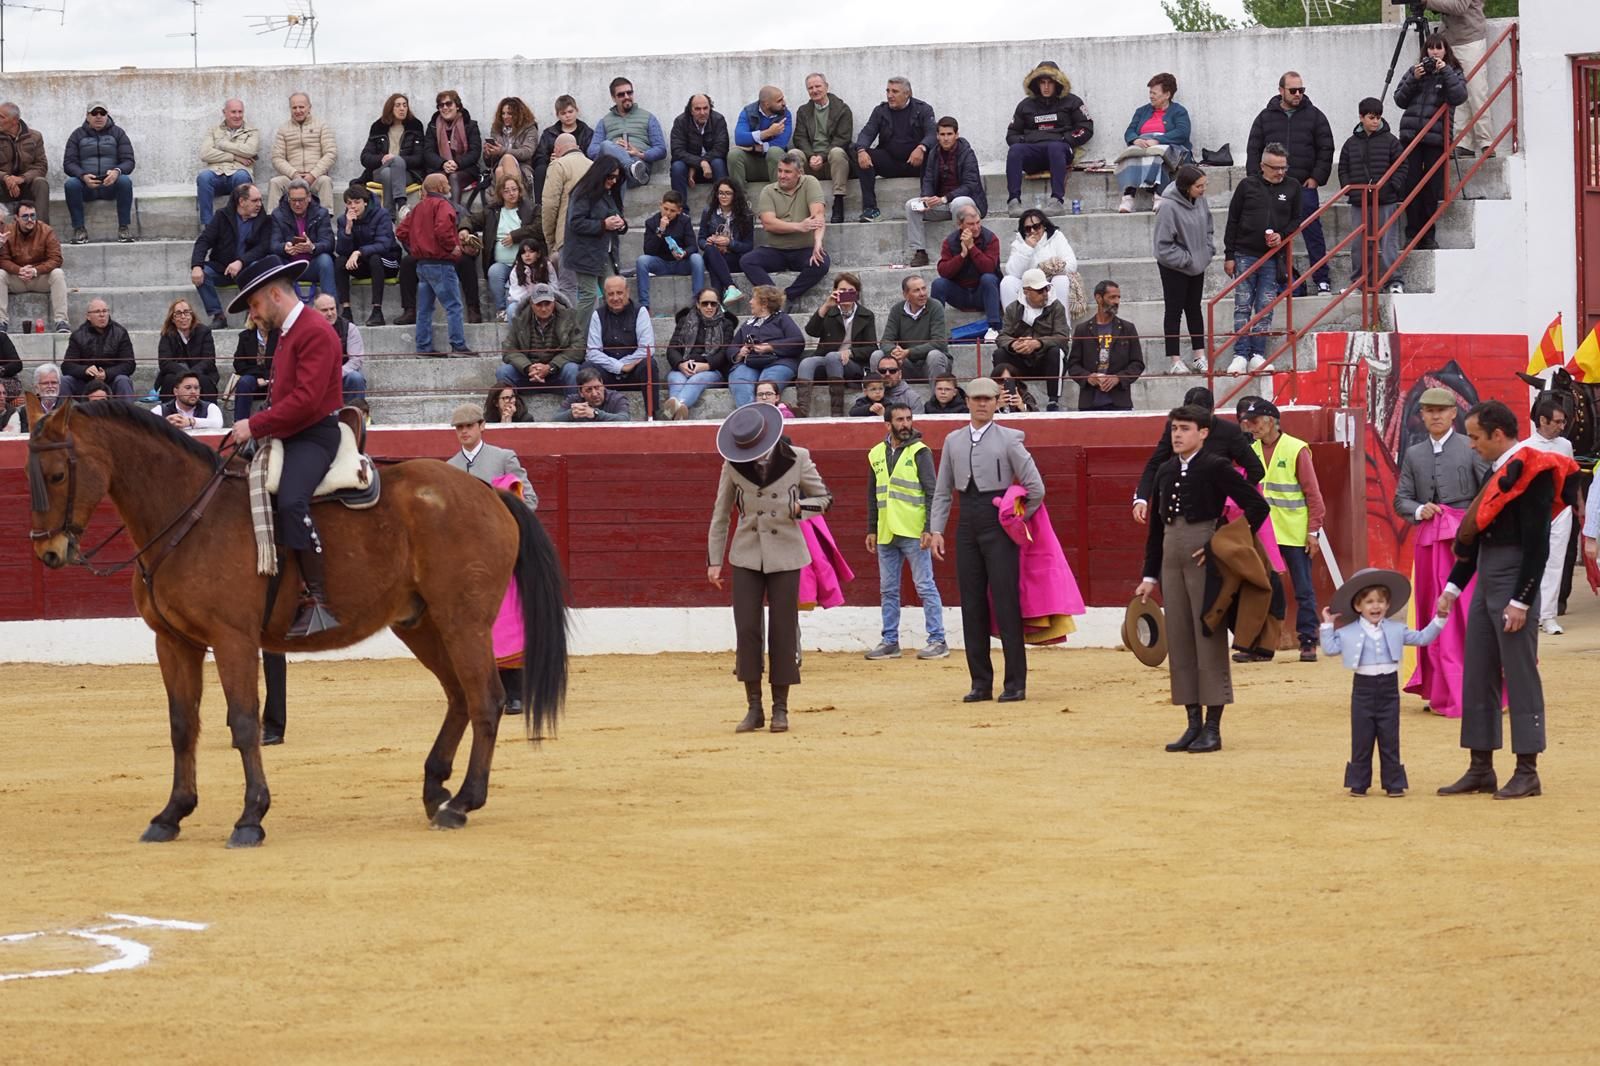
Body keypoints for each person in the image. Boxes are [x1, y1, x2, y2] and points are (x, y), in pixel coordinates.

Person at [1436, 400, 1578, 800]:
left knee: (1520, 672)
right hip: (1487, 577)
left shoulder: (1534, 470)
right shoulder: (1499, 469)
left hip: (1515, 578)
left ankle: (1527, 770)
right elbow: (1478, 536)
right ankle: (1481, 767)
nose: (1472, 445)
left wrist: (1522, 599)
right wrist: (1452, 588)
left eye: (1476, 437)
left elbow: (1538, 544)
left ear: (1498, 435)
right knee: (1477, 670)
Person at [1136, 404, 1271, 753]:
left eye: (1184, 428)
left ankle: (1213, 727)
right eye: (1173, 429)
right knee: (1180, 639)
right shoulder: (1165, 470)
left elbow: (1257, 507)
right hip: (1170, 558)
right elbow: (1155, 528)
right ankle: (1192, 724)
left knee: (1206, 637)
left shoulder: (1215, 466)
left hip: (1203, 561)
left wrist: (1221, 544)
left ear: (1203, 433)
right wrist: (1149, 575)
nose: (1177, 435)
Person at [226, 256, 346, 638]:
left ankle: (319, 601)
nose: (254, 315)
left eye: (255, 305)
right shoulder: (292, 332)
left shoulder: (311, 331)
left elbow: (307, 401)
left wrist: (255, 424)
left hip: (314, 434)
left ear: (275, 295)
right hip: (293, 432)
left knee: (292, 500)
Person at [707, 402, 833, 733]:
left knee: (782, 629)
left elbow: (824, 498)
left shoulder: (797, 457)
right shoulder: (733, 464)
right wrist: (715, 560)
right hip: (747, 553)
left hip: (787, 553)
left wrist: (798, 507)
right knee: (747, 629)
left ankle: (780, 709)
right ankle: (754, 709)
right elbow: (721, 514)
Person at [930, 376, 1045, 702]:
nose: (982, 404)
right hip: (966, 525)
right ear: (966, 402)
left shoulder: (1010, 439)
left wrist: (1018, 520)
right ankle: (980, 683)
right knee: (972, 604)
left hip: (999, 527)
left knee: (1007, 603)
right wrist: (937, 530)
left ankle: (1015, 684)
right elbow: (942, 492)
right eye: (976, 398)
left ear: (998, 402)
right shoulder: (953, 441)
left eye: (988, 399)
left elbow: (1036, 489)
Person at [1393, 386, 1486, 718]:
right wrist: (1420, 510)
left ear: (1452, 415)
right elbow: (1401, 499)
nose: (1434, 415)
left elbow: (1486, 492)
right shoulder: (1414, 454)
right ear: (1421, 415)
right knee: (1433, 605)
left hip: (1464, 539)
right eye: (1428, 411)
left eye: (1440, 410)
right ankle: (1439, 687)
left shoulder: (1470, 447)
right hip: (1430, 541)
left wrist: (1472, 527)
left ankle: (1472, 686)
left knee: (1466, 610)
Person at [1320, 570, 1445, 797]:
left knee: (1389, 736)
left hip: (1389, 688)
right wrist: (1328, 625)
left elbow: (1423, 638)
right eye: (1369, 601)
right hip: (1362, 689)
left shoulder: (1397, 629)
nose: (1375, 606)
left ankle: (1394, 783)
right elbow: (1329, 649)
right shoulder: (1348, 632)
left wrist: (1440, 618)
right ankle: (1358, 783)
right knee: (1362, 737)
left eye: (1380, 601)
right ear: (1358, 606)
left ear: (1388, 606)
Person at [1240, 398, 1327, 661]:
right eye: (1248, 422)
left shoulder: (1295, 449)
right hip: (1263, 532)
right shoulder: (1250, 450)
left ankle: (1308, 641)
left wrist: (1313, 532)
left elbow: (1313, 494)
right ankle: (1262, 645)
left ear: (1270, 421)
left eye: (1255, 422)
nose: (1251, 427)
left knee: (1303, 589)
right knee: (1261, 589)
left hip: (1293, 532)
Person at [865, 401, 947, 660]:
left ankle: (938, 640)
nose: (905, 424)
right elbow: (872, 494)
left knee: (924, 586)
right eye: (900, 420)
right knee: (888, 589)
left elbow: (933, 491)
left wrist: (930, 528)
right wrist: (871, 528)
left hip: (914, 531)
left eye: (908, 419)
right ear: (887, 424)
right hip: (886, 531)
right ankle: (890, 641)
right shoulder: (876, 453)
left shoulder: (920, 451)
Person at [1245, 72, 1333, 295]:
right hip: (1272, 188)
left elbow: (1326, 148)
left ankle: (1322, 280)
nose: (1298, 94)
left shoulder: (1315, 116)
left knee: (1313, 233)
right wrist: (1258, 180)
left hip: (1304, 187)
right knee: (1273, 236)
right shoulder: (1265, 117)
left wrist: (1316, 178)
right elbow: (1254, 150)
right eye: (1293, 90)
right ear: (1281, 90)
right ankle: (1282, 281)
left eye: (1301, 90)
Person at [1132, 384, 1266, 522]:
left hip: (1213, 514)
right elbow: (1155, 464)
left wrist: (1231, 499)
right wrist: (1141, 498)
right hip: (1178, 510)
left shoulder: (1229, 432)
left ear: (1212, 412)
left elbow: (1256, 470)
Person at [1222, 141, 1300, 374]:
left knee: (1265, 306)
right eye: (1275, 168)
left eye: (1283, 167)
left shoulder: (1293, 186)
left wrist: (1282, 236)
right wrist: (1229, 255)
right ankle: (1240, 354)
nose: (1280, 172)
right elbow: (1232, 220)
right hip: (1245, 253)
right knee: (1243, 305)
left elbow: (1296, 220)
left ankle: (1258, 354)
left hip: (1274, 257)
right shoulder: (1247, 186)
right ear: (1262, 166)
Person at [1395, 34, 1468, 252]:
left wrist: (1444, 71)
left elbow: (1459, 96)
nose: (1434, 53)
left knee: (1432, 188)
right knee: (1411, 186)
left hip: (1436, 139)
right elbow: (1399, 99)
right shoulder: (1415, 71)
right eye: (1431, 49)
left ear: (1446, 51)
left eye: (1439, 48)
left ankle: (1428, 235)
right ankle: (1413, 234)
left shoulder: (1453, 72)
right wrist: (1414, 79)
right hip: (1412, 136)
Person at [1003, 61, 1094, 216]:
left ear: (1058, 83)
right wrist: (1027, 141)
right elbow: (1012, 135)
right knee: (1015, 150)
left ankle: (1057, 201)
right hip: (1034, 153)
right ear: (1036, 84)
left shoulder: (1072, 101)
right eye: (1042, 82)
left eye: (1050, 82)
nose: (1046, 87)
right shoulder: (1025, 105)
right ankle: (1013, 202)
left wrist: (1066, 139)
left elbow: (1086, 128)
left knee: (1055, 147)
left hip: (1060, 151)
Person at [1149, 164, 1215, 375]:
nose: (1203, 189)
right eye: (1199, 186)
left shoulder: (1201, 201)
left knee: (1194, 308)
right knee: (1174, 310)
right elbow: (1162, 245)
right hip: (1174, 266)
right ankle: (1175, 360)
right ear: (1187, 187)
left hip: (1197, 263)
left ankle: (1199, 356)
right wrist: (1186, 259)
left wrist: (1207, 251)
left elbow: (1209, 228)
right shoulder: (1168, 207)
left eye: (1204, 185)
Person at [1337, 98, 1407, 295]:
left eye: (1378, 117)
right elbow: (1343, 168)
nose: (1375, 121)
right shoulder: (1350, 144)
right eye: (1371, 117)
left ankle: (1393, 281)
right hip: (1360, 201)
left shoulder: (1391, 141)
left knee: (1388, 241)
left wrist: (1391, 187)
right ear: (1361, 117)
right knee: (1359, 243)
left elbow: (1402, 165)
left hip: (1385, 200)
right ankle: (1360, 283)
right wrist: (1350, 189)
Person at [396, 172, 470, 357]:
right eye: (446, 184)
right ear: (439, 187)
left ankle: (423, 347)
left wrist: (417, 246)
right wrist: (452, 247)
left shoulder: (418, 207)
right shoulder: (443, 205)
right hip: (441, 263)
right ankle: (458, 346)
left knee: (425, 309)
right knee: (454, 306)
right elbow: (443, 230)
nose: (450, 187)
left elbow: (401, 231)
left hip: (422, 265)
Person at [743, 151, 829, 303]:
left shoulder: (810, 182)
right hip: (776, 251)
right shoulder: (768, 191)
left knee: (822, 262)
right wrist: (799, 226)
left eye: (787, 172)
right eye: (780, 171)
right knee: (747, 261)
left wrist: (818, 243)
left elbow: (818, 215)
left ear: (799, 173)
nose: (782, 175)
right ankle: (774, 296)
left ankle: (787, 297)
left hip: (803, 250)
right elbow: (768, 224)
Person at [1523, 395, 1576, 635]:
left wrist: (1579, 506)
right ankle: (1530, 612)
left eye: (1563, 421)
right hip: (1533, 513)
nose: (1561, 426)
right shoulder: (1525, 448)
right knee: (1533, 561)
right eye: (1557, 422)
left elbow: (1572, 477)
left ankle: (1549, 616)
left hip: (1561, 511)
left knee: (1556, 562)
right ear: (1542, 421)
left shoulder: (1565, 446)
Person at [905, 116, 986, 268]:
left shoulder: (967, 153)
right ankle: (919, 251)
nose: (946, 138)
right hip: (941, 205)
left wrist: (944, 198)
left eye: (949, 134)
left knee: (958, 202)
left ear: (956, 135)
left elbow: (970, 185)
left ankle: (960, 246)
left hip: (965, 205)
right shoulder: (933, 154)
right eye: (942, 135)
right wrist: (927, 198)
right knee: (912, 205)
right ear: (937, 136)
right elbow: (928, 179)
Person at [852, 77, 937, 223]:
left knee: (933, 154)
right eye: (888, 91)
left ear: (907, 94)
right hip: (890, 162)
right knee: (858, 152)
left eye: (895, 92)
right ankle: (871, 210)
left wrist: (922, 148)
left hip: (915, 163)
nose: (890, 95)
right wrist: (861, 150)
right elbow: (867, 132)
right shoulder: (880, 111)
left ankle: (926, 205)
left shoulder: (923, 109)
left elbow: (932, 134)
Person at [191, 182, 272, 329]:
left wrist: (241, 261)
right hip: (222, 268)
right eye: (255, 200)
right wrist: (196, 265)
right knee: (202, 273)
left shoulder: (264, 220)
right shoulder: (222, 216)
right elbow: (203, 241)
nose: (259, 204)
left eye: (260, 200)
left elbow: (263, 247)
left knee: (258, 268)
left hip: (248, 268)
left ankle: (253, 313)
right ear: (241, 201)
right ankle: (218, 316)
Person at [796, 271, 876, 418]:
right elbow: (811, 331)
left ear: (857, 294)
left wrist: (850, 352)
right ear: (835, 291)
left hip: (852, 363)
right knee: (806, 362)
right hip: (826, 359)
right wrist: (825, 306)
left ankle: (837, 411)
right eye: (842, 290)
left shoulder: (866, 315)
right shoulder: (830, 311)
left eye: (851, 291)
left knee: (834, 356)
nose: (846, 294)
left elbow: (872, 348)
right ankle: (802, 410)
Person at [464, 173, 539, 321]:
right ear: (500, 193)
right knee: (494, 271)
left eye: (514, 189)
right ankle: (501, 310)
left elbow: (538, 228)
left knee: (513, 285)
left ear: (519, 190)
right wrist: (464, 229)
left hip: (525, 261)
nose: (511, 193)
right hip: (502, 263)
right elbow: (470, 219)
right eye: (507, 191)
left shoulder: (530, 208)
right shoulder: (492, 211)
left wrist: (515, 236)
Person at [992, 268, 1070, 411]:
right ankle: (1006, 398)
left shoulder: (1056, 307)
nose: (1045, 293)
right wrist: (1013, 344)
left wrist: (1037, 343)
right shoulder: (1013, 309)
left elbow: (1062, 336)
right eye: (1040, 291)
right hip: (1021, 361)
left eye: (1046, 289)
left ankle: (1053, 402)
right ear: (1026, 291)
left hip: (1045, 361)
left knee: (1056, 352)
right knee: (1000, 354)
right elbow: (1002, 336)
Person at [564, 154, 627, 328]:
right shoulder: (582, 193)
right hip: (584, 253)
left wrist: (621, 224)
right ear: (601, 173)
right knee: (589, 294)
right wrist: (603, 225)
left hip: (604, 253)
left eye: (616, 177)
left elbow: (617, 217)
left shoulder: (609, 194)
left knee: (613, 293)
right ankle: (578, 340)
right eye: (611, 176)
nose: (614, 181)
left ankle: (609, 334)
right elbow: (575, 223)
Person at [1421, 0, 1492, 157]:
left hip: (1469, 39)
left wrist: (1427, 2)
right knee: (1456, 91)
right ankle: (1463, 143)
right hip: (1452, 39)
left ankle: (1486, 141)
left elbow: (1458, 6)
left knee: (1476, 90)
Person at [62, 101, 136, 245]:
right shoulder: (77, 135)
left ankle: (124, 228)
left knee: (125, 181)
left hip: (110, 185)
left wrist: (116, 172)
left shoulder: (118, 133)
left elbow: (129, 161)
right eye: (94, 113)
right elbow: (68, 163)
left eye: (102, 113)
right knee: (71, 184)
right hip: (87, 186)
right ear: (87, 116)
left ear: (107, 115)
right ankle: (79, 229)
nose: (99, 116)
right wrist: (83, 176)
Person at [1115, 73, 1191, 214]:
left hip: (1169, 146)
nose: (1151, 96)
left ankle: (1159, 196)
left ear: (1167, 94)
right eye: (1150, 92)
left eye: (1154, 93)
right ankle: (1127, 198)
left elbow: (1182, 132)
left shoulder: (1179, 111)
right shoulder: (1142, 111)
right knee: (1131, 155)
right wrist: (1135, 139)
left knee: (1156, 155)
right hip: (1143, 144)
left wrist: (1157, 140)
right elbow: (1130, 131)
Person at [1065, 279, 1143, 411]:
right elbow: (1073, 365)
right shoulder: (1082, 329)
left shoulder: (1127, 328)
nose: (1117, 301)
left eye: (1118, 297)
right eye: (1112, 297)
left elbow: (1137, 363)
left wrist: (1118, 378)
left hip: (1120, 402)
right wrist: (1088, 377)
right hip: (1089, 403)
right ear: (1098, 298)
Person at [661, 286, 734, 420]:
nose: (709, 307)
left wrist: (705, 366)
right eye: (705, 303)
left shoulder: (726, 325)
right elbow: (672, 349)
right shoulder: (685, 321)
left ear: (718, 305)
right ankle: (680, 410)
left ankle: (674, 407)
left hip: (712, 370)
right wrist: (681, 364)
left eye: (713, 303)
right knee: (675, 379)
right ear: (698, 304)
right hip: (684, 366)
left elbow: (724, 354)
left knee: (697, 379)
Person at [499, 282, 584, 397]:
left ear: (553, 302)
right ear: (531, 304)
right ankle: (514, 410)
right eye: (539, 304)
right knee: (503, 372)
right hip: (529, 374)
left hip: (557, 372)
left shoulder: (568, 317)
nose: (544, 309)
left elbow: (579, 347)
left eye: (547, 303)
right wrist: (528, 367)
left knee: (572, 369)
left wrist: (551, 367)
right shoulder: (520, 320)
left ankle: (575, 408)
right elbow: (508, 349)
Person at [726, 283, 804, 407]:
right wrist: (740, 352)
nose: (750, 302)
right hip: (750, 363)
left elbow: (798, 341)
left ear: (764, 304)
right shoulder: (748, 324)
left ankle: (766, 419)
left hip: (779, 362)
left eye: (753, 299)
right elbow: (732, 347)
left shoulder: (782, 319)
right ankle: (750, 418)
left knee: (766, 386)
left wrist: (770, 346)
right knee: (739, 381)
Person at [333, 183, 399, 327]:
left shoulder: (381, 214)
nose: (353, 206)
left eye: (357, 202)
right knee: (340, 261)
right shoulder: (343, 220)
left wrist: (359, 252)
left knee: (375, 258)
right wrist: (348, 229)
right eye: (349, 203)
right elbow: (342, 250)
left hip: (388, 261)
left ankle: (377, 310)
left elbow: (384, 245)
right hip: (362, 262)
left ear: (365, 202)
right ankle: (346, 310)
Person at [586, 275, 655, 410]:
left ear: (627, 292)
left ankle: (652, 414)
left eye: (619, 293)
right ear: (605, 295)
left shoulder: (640, 311)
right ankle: (592, 414)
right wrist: (619, 367)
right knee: (587, 368)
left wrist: (626, 365)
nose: (615, 298)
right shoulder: (597, 315)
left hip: (634, 372)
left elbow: (647, 349)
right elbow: (592, 352)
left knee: (649, 364)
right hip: (607, 373)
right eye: (611, 294)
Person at [447, 401, 537, 505]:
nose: (464, 431)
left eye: (469, 425)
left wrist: (505, 519)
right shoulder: (450, 467)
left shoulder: (503, 458)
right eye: (459, 427)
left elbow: (529, 498)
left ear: (482, 426)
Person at [793, 73, 854, 224]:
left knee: (837, 152)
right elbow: (799, 137)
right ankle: (795, 203)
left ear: (826, 87)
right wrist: (810, 155)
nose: (814, 90)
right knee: (793, 154)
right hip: (811, 162)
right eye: (810, 88)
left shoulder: (842, 109)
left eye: (818, 86)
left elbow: (843, 138)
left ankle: (838, 202)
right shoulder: (803, 111)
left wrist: (822, 156)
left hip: (831, 162)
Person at [0, 200, 69, 333]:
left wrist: (35, 270)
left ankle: (61, 321)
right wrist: (19, 270)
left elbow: (56, 258)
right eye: (25, 216)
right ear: (16, 218)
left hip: (39, 277)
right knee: (0, 275)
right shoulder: (8, 231)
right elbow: (3, 260)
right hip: (17, 278)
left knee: (58, 274)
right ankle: (1, 321)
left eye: (33, 215)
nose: (30, 219)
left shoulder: (46, 231)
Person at [587, 77, 666, 190]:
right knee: (605, 145)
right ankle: (630, 167)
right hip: (613, 170)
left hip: (639, 171)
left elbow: (661, 150)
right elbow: (592, 150)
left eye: (629, 93)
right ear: (614, 98)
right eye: (621, 94)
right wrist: (615, 149)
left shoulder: (648, 117)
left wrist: (639, 154)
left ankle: (633, 169)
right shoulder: (604, 121)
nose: (627, 97)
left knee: (635, 166)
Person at [540, 132, 591, 300]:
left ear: (557, 149)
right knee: (589, 291)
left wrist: (550, 240)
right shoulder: (593, 165)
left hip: (568, 237)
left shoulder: (558, 165)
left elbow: (549, 205)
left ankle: (571, 326)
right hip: (593, 236)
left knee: (568, 288)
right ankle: (591, 326)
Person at [267, 92, 337, 212]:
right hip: (291, 178)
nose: (298, 110)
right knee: (275, 183)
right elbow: (277, 158)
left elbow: (331, 153)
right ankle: (273, 222)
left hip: (315, 178)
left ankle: (326, 222)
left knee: (326, 181)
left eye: (301, 107)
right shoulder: (283, 129)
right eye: (294, 107)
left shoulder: (321, 126)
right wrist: (294, 174)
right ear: (290, 109)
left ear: (309, 107)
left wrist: (313, 175)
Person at [270, 178, 337, 303]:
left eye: (301, 200)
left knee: (325, 260)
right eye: (293, 200)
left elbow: (329, 243)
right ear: (288, 199)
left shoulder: (321, 213)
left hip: (312, 265)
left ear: (309, 197)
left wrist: (312, 247)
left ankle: (331, 309)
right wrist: (285, 247)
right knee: (273, 260)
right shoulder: (278, 214)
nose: (297, 204)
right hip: (288, 266)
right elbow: (273, 244)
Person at [635, 189, 704, 310]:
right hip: (661, 264)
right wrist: (660, 230)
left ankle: (698, 301)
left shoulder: (684, 221)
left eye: (672, 211)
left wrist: (684, 253)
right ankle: (644, 305)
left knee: (697, 259)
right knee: (642, 261)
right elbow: (648, 251)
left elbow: (693, 246)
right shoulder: (651, 222)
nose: (668, 213)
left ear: (679, 211)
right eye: (665, 209)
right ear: (660, 205)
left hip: (681, 263)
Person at [1000, 208, 1077, 314]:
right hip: (1028, 288)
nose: (1032, 231)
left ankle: (1063, 327)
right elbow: (1012, 272)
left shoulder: (1056, 237)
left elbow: (1072, 264)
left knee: (1061, 280)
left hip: (1049, 285)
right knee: (1007, 282)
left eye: (1036, 227)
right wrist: (1027, 248)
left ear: (1043, 225)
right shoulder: (1019, 243)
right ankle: (1014, 327)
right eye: (1028, 228)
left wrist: (1051, 267)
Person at [196, 98, 259, 227]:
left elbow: (250, 151)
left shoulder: (252, 132)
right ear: (224, 112)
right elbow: (205, 154)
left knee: (241, 176)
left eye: (240, 112)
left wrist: (221, 144)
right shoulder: (213, 130)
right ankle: (207, 226)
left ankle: (240, 224)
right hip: (217, 174)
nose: (237, 116)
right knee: (203, 177)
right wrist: (235, 157)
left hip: (239, 174)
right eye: (233, 112)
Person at [358, 93, 426, 211]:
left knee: (389, 172)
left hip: (407, 173)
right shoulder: (378, 127)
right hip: (379, 170)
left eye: (405, 105)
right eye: (398, 105)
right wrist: (382, 158)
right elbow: (365, 157)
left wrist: (396, 159)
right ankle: (402, 205)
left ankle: (390, 217)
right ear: (390, 108)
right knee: (387, 170)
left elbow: (419, 158)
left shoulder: (415, 126)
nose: (402, 108)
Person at [879, 274, 951, 381]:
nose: (922, 294)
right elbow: (885, 341)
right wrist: (894, 351)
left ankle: (937, 397)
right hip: (905, 363)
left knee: (934, 355)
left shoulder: (935, 307)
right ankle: (879, 396)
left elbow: (939, 342)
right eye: (916, 290)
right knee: (878, 355)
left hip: (931, 362)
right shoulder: (897, 310)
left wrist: (908, 352)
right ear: (906, 295)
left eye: (924, 289)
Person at [60, 298, 135, 398]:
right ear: (88, 316)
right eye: (97, 312)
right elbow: (67, 366)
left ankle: (127, 413)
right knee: (65, 381)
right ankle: (62, 413)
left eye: (105, 311)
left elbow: (129, 364)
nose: (102, 315)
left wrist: (107, 374)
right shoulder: (78, 335)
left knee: (123, 380)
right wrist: (85, 370)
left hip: (111, 382)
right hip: (85, 384)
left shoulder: (120, 333)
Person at [698, 178, 754, 307]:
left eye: (728, 193)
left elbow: (749, 246)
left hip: (734, 258)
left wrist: (730, 243)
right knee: (710, 250)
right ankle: (730, 287)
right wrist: (708, 241)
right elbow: (700, 239)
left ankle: (717, 302)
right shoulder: (708, 212)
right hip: (714, 254)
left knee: (713, 263)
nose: (723, 196)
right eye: (720, 193)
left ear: (735, 195)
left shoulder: (746, 215)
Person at [421, 90, 483, 205]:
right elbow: (428, 152)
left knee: (454, 177)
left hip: (465, 169)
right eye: (441, 105)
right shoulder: (433, 126)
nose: (445, 108)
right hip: (440, 169)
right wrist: (443, 164)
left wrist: (457, 163)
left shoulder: (470, 125)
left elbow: (475, 152)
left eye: (449, 104)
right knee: (435, 180)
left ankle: (454, 216)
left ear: (457, 106)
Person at [728, 86, 793, 193]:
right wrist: (768, 133)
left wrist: (754, 148)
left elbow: (781, 143)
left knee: (775, 151)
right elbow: (739, 138)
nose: (784, 103)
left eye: (783, 98)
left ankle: (779, 198)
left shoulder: (785, 114)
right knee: (734, 154)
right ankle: (740, 202)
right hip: (752, 164)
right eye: (779, 100)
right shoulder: (748, 112)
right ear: (767, 104)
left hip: (775, 165)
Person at [533, 95, 594, 206]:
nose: (568, 116)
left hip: (578, 169)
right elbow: (538, 157)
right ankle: (539, 208)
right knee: (540, 170)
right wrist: (549, 160)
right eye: (563, 113)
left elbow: (592, 156)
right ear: (558, 115)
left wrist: (577, 156)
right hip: (555, 170)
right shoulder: (549, 133)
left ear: (577, 111)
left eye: (570, 112)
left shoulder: (586, 132)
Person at [668, 94, 729, 198]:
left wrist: (703, 162)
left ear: (710, 108)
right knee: (677, 167)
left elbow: (721, 148)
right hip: (688, 170)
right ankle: (681, 210)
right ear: (690, 110)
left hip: (711, 168)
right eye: (697, 109)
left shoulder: (718, 120)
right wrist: (700, 163)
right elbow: (677, 151)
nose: (702, 113)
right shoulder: (680, 122)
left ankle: (722, 208)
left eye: (705, 108)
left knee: (718, 162)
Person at [155, 298, 217, 400]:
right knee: (169, 380)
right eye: (178, 314)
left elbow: (209, 360)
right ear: (172, 319)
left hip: (200, 372)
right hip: (176, 373)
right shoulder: (167, 334)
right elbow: (164, 362)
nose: (183, 317)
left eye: (187, 312)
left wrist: (192, 374)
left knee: (204, 381)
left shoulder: (204, 331)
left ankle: (208, 414)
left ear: (192, 316)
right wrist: (184, 374)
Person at [0, 102, 50, 223]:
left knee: (41, 183)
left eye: (1, 117)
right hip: (3, 186)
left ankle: (42, 231)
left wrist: (21, 179)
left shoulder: (35, 137)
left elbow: (41, 166)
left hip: (26, 186)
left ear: (15, 120)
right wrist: (6, 178)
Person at [313, 293, 366, 405]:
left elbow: (356, 360)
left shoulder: (349, 328)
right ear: (314, 312)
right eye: (324, 310)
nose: (330, 313)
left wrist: (336, 374)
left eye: (332, 309)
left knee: (356, 378)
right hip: (316, 378)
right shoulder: (307, 330)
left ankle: (356, 415)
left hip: (341, 375)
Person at [483, 96, 540, 200]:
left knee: (501, 169)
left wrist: (502, 151)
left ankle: (504, 208)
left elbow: (527, 152)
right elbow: (488, 162)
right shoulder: (496, 129)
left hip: (522, 169)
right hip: (498, 164)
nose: (505, 116)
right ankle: (520, 204)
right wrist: (488, 153)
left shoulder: (530, 129)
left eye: (509, 114)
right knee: (504, 161)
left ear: (519, 114)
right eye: (503, 113)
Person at [230, 312, 276, 423]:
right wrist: (257, 377)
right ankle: (239, 424)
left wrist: (266, 378)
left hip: (275, 377)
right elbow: (239, 364)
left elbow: (283, 362)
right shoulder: (245, 336)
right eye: (259, 318)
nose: (263, 321)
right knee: (244, 382)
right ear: (253, 319)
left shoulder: (280, 335)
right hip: (253, 379)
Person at [151, 370, 223, 431]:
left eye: (196, 388)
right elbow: (145, 428)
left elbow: (218, 424)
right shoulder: (161, 410)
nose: (193, 392)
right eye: (188, 388)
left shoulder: (210, 407)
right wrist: (165, 424)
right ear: (176, 391)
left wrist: (191, 422)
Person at [2, 361, 59, 434]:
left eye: (54, 382)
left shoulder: (70, 408)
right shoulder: (25, 411)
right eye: (45, 383)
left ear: (59, 385)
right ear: (36, 388)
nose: (50, 386)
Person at [505, 236, 560, 313]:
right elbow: (517, 292)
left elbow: (553, 286)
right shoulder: (516, 270)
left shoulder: (547, 266)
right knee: (512, 309)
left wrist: (541, 299)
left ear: (538, 254)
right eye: (523, 253)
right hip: (524, 302)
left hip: (545, 299)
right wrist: (532, 301)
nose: (527, 255)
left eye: (531, 252)